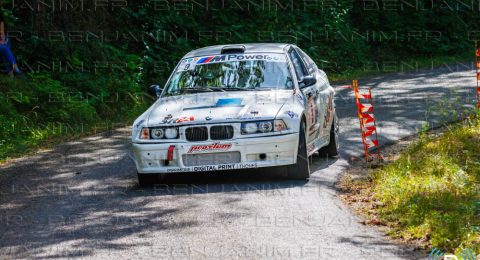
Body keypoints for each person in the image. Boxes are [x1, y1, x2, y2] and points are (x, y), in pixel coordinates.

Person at [0, 11, 21, 76]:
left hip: (4, 39)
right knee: (5, 50)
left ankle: (12, 75)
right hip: (3, 39)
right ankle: (16, 70)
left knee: (5, 53)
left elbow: (2, 31)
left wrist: (3, 41)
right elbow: (1, 31)